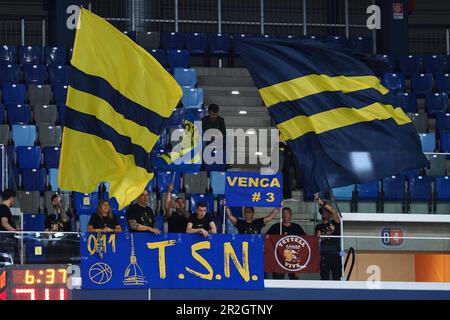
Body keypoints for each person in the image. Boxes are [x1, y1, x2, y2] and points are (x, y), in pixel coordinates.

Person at [266, 207, 306, 280]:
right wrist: (268, 237)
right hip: (279, 258)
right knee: (278, 281)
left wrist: (299, 264)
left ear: (291, 215)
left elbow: (305, 242)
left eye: (287, 213)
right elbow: (267, 238)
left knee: (294, 281)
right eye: (283, 213)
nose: (285, 215)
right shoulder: (276, 227)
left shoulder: (297, 227)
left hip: (293, 259)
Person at [314, 195, 342, 281]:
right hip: (324, 254)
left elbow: (333, 211)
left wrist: (322, 203)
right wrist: (329, 233)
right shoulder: (319, 226)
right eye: (323, 212)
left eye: (327, 212)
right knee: (324, 278)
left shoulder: (336, 222)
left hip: (336, 254)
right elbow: (317, 239)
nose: (325, 213)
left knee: (337, 278)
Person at [0, 189, 19, 263]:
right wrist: (14, 230)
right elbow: (4, 223)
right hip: (5, 243)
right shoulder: (4, 208)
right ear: (11, 198)